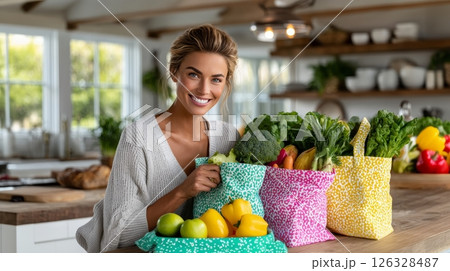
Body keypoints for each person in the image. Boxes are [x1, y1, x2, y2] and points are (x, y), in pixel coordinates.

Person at [76, 24, 239, 252]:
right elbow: (117, 237)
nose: (204, 89)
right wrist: (182, 191)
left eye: (216, 79)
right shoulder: (139, 138)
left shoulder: (228, 138)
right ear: (174, 71)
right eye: (193, 74)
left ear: (226, 83)